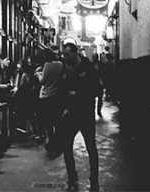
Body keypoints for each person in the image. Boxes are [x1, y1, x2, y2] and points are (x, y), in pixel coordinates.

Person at [59, 43, 102, 190]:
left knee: (91, 146)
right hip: (70, 114)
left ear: (75, 53)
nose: (64, 57)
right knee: (66, 145)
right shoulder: (65, 69)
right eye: (63, 54)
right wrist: (64, 107)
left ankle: (94, 179)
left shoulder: (88, 68)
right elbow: (62, 89)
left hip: (85, 114)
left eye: (67, 54)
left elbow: (96, 89)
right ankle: (72, 177)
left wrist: (79, 94)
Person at [38, 50, 64, 153]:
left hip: (46, 96)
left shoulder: (47, 65)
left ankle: (51, 142)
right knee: (56, 120)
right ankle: (57, 142)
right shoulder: (60, 64)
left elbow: (42, 81)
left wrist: (38, 74)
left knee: (48, 120)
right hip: (56, 96)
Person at [14, 59, 41, 138]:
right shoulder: (20, 74)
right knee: (28, 114)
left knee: (29, 114)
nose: (18, 69)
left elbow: (26, 86)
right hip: (24, 98)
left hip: (27, 98)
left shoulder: (27, 75)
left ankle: (35, 131)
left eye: (19, 67)